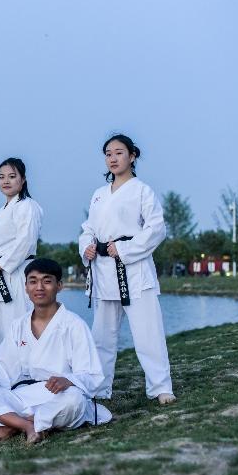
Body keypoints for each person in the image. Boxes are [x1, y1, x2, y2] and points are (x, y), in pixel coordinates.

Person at [0, 259, 111, 444]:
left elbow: (92, 375)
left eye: (47, 281)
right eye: (33, 281)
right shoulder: (18, 325)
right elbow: (3, 367)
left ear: (59, 286)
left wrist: (68, 380)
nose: (39, 287)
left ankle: (14, 424)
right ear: (26, 287)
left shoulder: (74, 325)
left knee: (75, 400)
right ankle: (27, 425)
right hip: (24, 396)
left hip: (58, 395)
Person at [78, 134, 176, 405]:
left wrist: (124, 249)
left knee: (148, 333)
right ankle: (99, 389)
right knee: (102, 337)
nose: (113, 158)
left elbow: (156, 229)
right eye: (108, 153)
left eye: (119, 152)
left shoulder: (142, 190)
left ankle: (160, 387)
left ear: (132, 156)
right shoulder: (99, 194)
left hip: (134, 271)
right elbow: (88, 229)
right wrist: (87, 247)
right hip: (103, 272)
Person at [0, 157, 43, 350]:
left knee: (18, 328)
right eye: (1, 177)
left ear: (23, 180)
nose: (6, 181)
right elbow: (0, 247)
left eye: (12, 176)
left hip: (17, 273)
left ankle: (23, 368)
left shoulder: (27, 205)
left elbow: (26, 241)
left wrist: (2, 264)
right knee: (1, 332)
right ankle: (3, 367)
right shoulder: (3, 210)